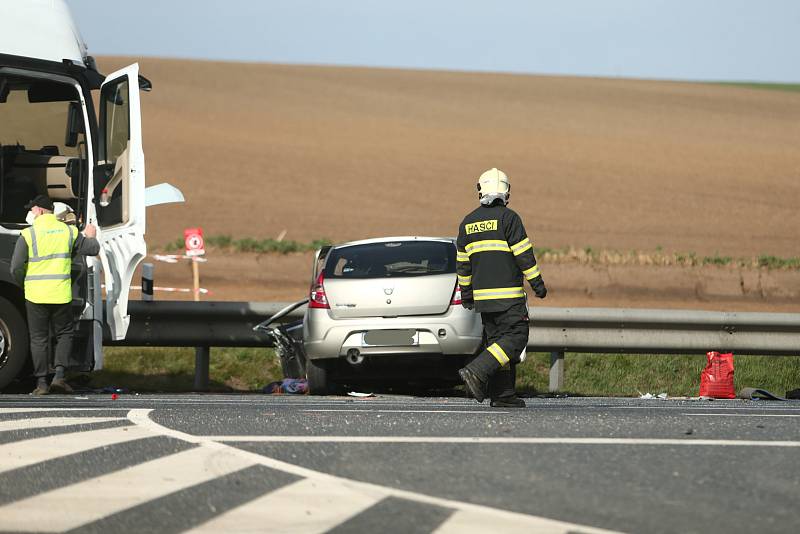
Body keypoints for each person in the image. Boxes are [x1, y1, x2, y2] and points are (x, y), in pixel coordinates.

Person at [456, 168, 547, 407]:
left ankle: (503, 395)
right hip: (508, 298)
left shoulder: (467, 223)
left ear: (480, 190)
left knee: (498, 345)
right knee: (516, 337)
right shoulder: (509, 219)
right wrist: (537, 284)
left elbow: (463, 267)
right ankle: (476, 371)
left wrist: (467, 296)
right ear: (506, 191)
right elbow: (524, 256)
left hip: (484, 302)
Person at [9, 195, 100, 395]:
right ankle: (59, 377)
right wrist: (91, 235)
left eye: (32, 209)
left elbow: (15, 267)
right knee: (64, 334)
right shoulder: (68, 231)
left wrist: (25, 283)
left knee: (39, 339)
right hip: (60, 294)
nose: (31, 213)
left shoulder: (28, 234)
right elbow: (93, 249)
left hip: (35, 295)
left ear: (40, 211)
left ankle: (41, 384)